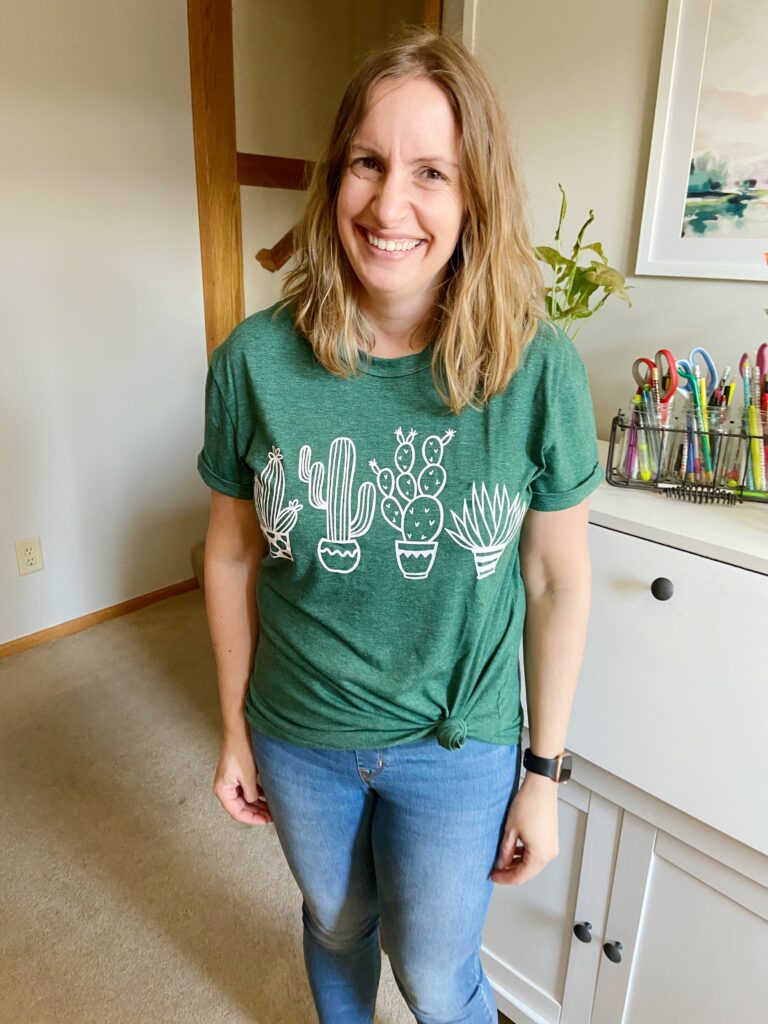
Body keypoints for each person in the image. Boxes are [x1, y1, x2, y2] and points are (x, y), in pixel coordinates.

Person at [197, 27, 603, 1024]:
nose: (388, 206)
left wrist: (543, 777)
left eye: (433, 173)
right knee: (336, 925)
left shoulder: (537, 370)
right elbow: (228, 549)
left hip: (456, 745)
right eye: (368, 164)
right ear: (335, 174)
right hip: (299, 730)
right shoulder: (254, 361)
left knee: (433, 973)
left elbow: (557, 580)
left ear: (477, 198)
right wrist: (234, 722)